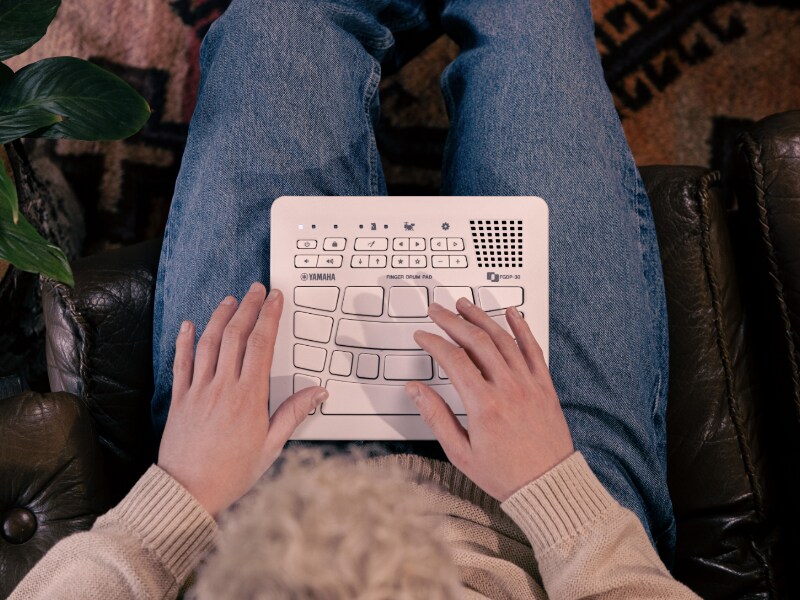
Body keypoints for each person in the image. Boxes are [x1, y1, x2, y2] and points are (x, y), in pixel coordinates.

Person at [11, 0, 697, 597]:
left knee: (279, 24)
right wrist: (555, 492)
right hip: (553, 533)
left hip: (248, 504)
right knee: (537, 24)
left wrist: (179, 499)